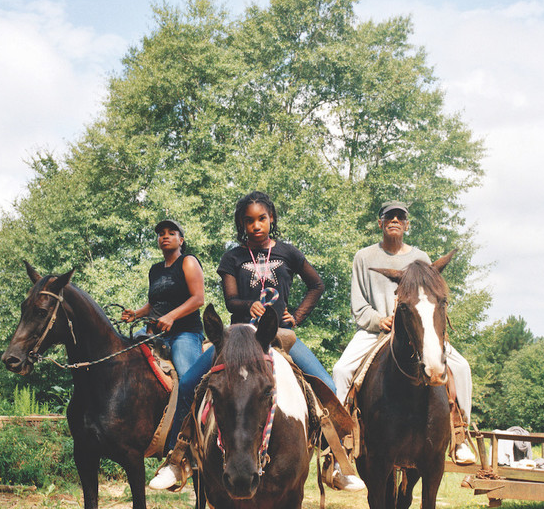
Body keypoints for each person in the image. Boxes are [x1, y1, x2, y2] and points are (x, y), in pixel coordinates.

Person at [149, 190, 362, 490]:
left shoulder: (288, 252)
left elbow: (316, 284)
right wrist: (247, 305)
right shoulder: (232, 257)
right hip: (238, 338)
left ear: (271, 218)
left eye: (261, 219)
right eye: (249, 221)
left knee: (325, 383)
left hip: (280, 335)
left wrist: (297, 316)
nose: (256, 226)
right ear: (242, 224)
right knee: (187, 385)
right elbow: (230, 300)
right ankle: (178, 458)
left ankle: (336, 460)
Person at [332, 201, 476, 464]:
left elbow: (428, 299)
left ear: (407, 224)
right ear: (380, 223)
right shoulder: (363, 258)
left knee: (462, 368)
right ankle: (342, 441)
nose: (395, 220)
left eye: (400, 217)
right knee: (341, 370)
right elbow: (359, 304)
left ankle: (459, 434)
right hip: (375, 331)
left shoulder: (420, 258)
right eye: (389, 217)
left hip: (417, 331)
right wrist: (379, 320)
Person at [121, 218, 205, 379]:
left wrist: (171, 316)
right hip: (154, 332)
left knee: (187, 375)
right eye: (161, 234)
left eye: (171, 233)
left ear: (181, 240)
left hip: (184, 332)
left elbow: (198, 299)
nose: (165, 236)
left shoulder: (188, 261)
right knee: (122, 356)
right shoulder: (155, 270)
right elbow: (153, 304)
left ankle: (195, 402)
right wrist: (135, 314)